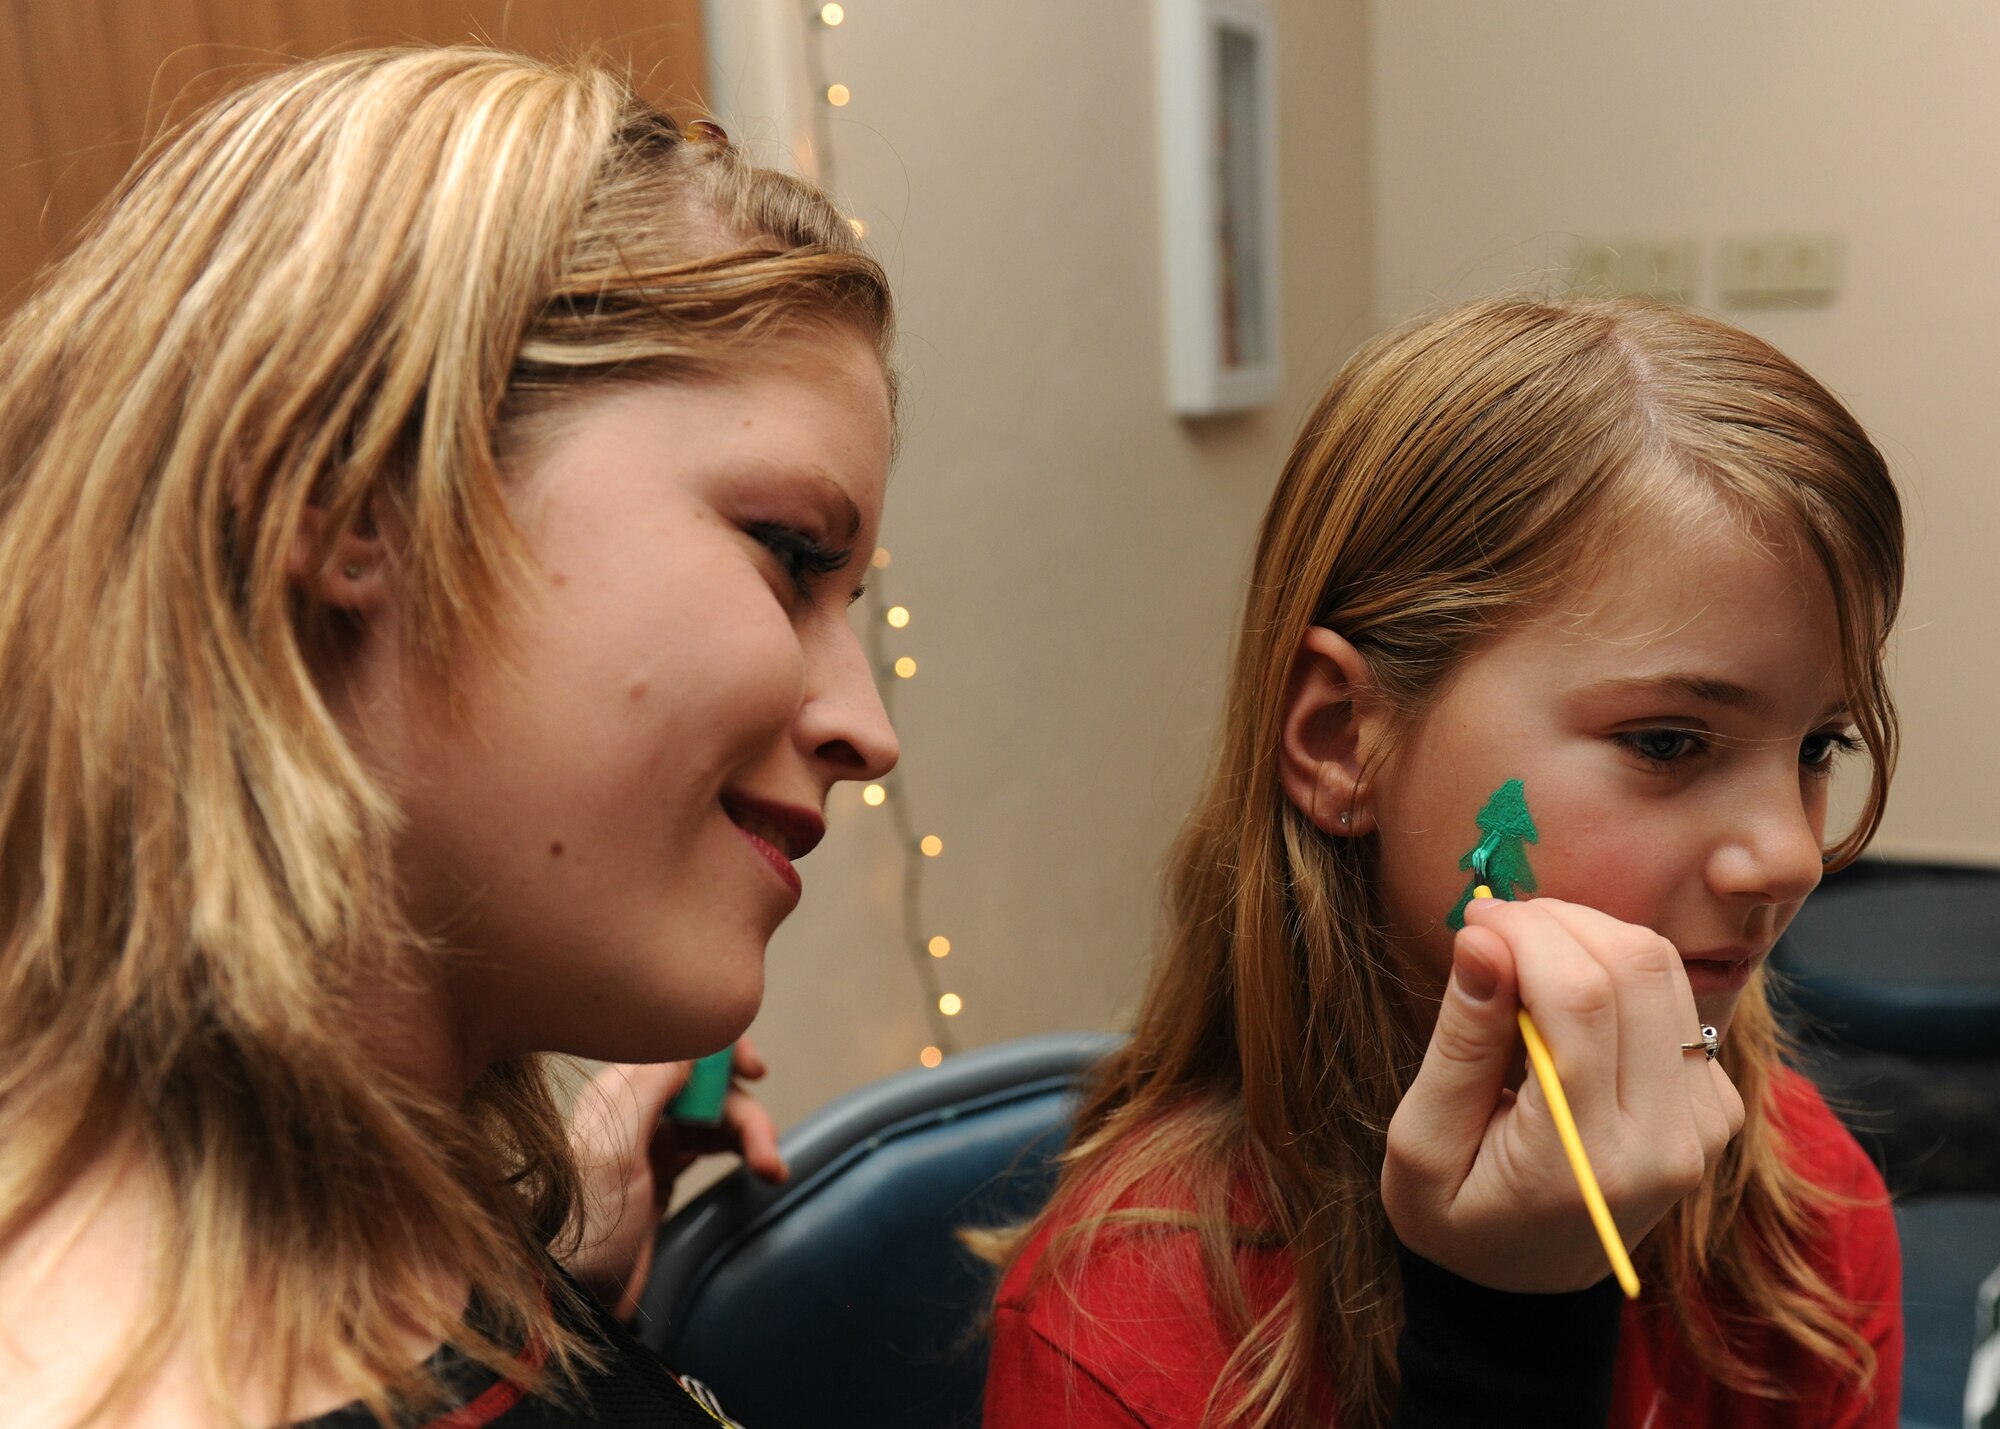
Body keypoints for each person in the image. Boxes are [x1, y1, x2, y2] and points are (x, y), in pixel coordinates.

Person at [0, 44, 1771, 1429]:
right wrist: (1503, 1336)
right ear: (343, 497)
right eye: (787, 552)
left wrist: (551, 1285)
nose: (863, 722)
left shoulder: (387, 1271)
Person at [981, 295, 1907, 1429]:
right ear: (1341, 741)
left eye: (1819, 745)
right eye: (1666, 741)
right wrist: (1510, 1323)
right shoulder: (1127, 1335)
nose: (1787, 854)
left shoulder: (1805, 1206)